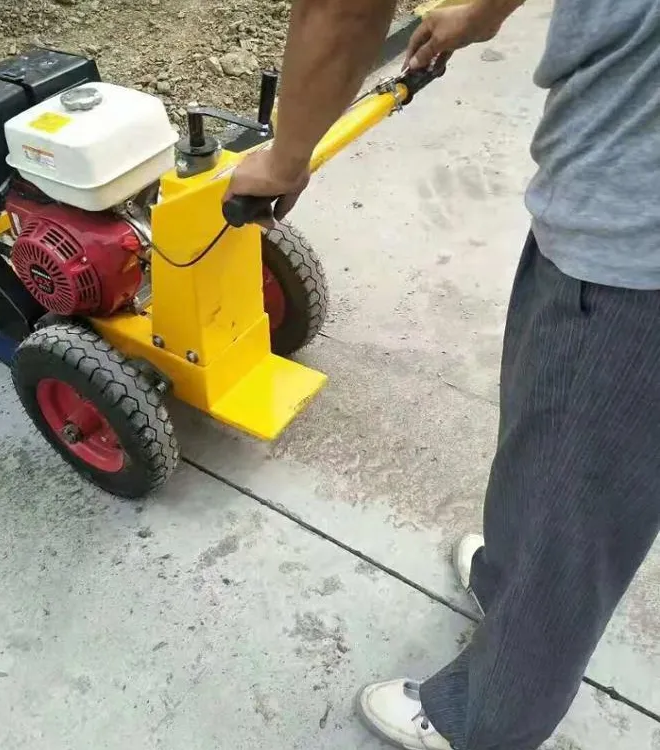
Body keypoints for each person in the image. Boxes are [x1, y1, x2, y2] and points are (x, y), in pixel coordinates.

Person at [227, 0, 660, 748]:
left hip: (637, 242)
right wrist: (484, 13)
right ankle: (508, 578)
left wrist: (285, 155)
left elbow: (345, 7)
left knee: (578, 505)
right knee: (544, 427)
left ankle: (485, 721)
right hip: (615, 190)